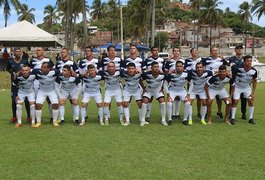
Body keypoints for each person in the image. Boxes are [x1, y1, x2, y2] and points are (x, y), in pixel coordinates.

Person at [6, 48, 31, 123]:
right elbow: (8, 69)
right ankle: (14, 116)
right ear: (14, 52)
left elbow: (28, 69)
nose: (18, 52)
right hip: (14, 84)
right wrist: (13, 75)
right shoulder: (10, 61)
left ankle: (29, 116)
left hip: (24, 83)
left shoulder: (25, 60)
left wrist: (19, 72)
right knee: (14, 100)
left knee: (26, 100)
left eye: (19, 51)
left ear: (21, 53)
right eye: (16, 51)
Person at [230, 55, 257, 125]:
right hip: (237, 87)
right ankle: (232, 118)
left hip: (247, 88)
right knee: (235, 101)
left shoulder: (254, 71)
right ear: (244, 62)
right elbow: (232, 77)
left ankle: (251, 118)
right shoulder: (237, 68)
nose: (249, 62)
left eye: (250, 61)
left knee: (250, 101)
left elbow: (254, 81)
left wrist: (253, 92)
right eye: (247, 61)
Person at [201, 46, 227, 119]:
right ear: (211, 52)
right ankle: (206, 112)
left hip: (219, 82)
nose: (215, 52)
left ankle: (219, 112)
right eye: (214, 50)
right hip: (208, 82)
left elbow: (227, 67)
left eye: (216, 50)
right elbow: (202, 69)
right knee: (208, 98)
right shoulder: (205, 60)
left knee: (219, 98)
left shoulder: (221, 60)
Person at [31, 62, 60, 128]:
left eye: (44, 67)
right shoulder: (37, 71)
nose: (42, 69)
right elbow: (28, 70)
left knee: (55, 104)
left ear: (49, 68)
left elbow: (62, 73)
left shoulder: (55, 72)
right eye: (41, 67)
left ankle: (54, 121)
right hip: (42, 91)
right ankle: (38, 122)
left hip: (52, 91)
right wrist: (19, 72)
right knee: (38, 105)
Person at [140, 61, 167, 126]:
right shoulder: (146, 74)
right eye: (155, 67)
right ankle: (143, 120)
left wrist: (162, 88)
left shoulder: (162, 75)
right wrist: (143, 89)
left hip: (158, 91)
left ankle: (163, 120)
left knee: (163, 102)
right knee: (144, 103)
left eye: (158, 67)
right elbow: (140, 80)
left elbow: (165, 80)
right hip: (148, 91)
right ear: (151, 68)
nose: (157, 68)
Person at [142, 46, 165, 122]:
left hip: (158, 81)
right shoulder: (147, 60)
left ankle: (163, 119)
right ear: (151, 52)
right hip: (150, 80)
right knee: (149, 100)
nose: (155, 52)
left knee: (162, 101)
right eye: (154, 50)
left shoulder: (162, 60)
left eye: (157, 50)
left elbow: (165, 72)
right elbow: (143, 70)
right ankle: (147, 116)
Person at [165, 61, 190, 126]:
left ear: (183, 67)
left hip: (182, 90)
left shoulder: (187, 74)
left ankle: (185, 119)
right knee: (169, 103)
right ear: (175, 67)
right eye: (177, 66)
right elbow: (165, 84)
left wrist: (188, 93)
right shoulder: (171, 75)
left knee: (188, 103)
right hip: (172, 90)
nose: (179, 68)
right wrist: (168, 94)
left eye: (180, 66)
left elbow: (192, 83)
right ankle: (170, 119)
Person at [164, 47, 184, 121]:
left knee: (178, 98)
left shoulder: (183, 61)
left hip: (180, 81)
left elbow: (185, 70)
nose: (176, 52)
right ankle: (172, 114)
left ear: (179, 52)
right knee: (172, 98)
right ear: (173, 52)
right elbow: (165, 72)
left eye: (177, 51)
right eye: (175, 51)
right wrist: (170, 72)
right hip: (171, 81)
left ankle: (177, 114)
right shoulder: (169, 62)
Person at [228, 45, 247, 120]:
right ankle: (231, 114)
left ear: (243, 50)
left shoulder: (245, 58)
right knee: (232, 98)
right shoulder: (231, 59)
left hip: (244, 81)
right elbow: (233, 68)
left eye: (241, 49)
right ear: (235, 50)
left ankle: (244, 113)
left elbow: (247, 67)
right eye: (238, 49)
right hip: (234, 81)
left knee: (244, 98)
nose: (239, 50)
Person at [185, 48, 202, 119]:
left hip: (200, 82)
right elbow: (185, 69)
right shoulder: (187, 61)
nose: (195, 52)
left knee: (199, 98)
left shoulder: (201, 60)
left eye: (196, 51)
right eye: (194, 51)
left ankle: (199, 113)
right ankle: (189, 113)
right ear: (191, 53)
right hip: (191, 81)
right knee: (190, 98)